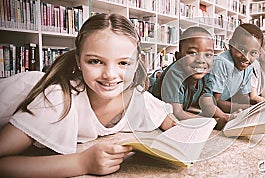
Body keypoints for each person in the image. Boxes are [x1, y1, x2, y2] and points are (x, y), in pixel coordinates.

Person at [0, 13, 176, 177]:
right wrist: (81, 163)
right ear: (78, 60)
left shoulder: (139, 97)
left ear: (137, 64)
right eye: (95, 61)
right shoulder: (57, 98)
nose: (110, 75)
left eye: (123, 63)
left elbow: (169, 120)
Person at [150, 26, 219, 121]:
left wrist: (225, 117)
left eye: (208, 55)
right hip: (150, 102)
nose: (201, 60)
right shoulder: (175, 73)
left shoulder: (206, 73)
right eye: (192, 53)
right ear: (178, 57)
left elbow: (208, 104)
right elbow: (176, 112)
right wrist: (207, 122)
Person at [203, 23, 263, 118]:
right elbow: (215, 101)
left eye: (253, 53)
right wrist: (249, 108)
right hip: (201, 107)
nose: (246, 57)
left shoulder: (249, 67)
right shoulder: (221, 63)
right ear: (231, 45)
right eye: (242, 50)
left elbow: (243, 97)